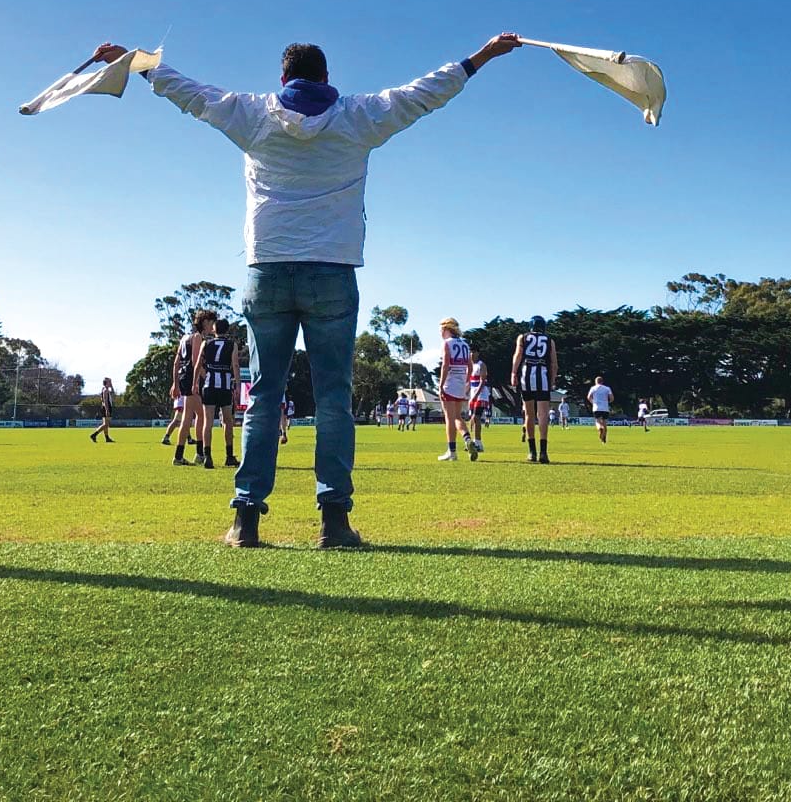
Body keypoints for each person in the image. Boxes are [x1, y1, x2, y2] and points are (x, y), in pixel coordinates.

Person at [92, 32, 522, 548]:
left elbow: (189, 93)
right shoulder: (359, 115)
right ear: (326, 77)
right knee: (335, 397)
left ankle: (245, 519)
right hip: (333, 272)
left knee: (265, 397)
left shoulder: (252, 113)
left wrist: (135, 63)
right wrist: (480, 58)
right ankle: (334, 521)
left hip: (267, 270)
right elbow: (424, 93)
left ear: (282, 78)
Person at [198, 318, 242, 469]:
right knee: (227, 421)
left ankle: (207, 456)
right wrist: (238, 385)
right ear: (227, 330)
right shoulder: (232, 345)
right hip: (224, 386)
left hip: (209, 386)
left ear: (214, 329)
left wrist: (196, 382)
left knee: (208, 422)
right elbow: (235, 365)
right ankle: (229, 456)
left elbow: (198, 365)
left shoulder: (206, 343)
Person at [513, 315, 558, 464]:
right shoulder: (549, 340)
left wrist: (513, 373)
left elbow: (518, 355)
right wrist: (552, 381)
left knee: (529, 414)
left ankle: (532, 451)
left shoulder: (523, 338)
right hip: (543, 377)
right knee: (543, 415)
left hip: (527, 377)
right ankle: (543, 452)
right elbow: (553, 363)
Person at [170, 311, 211, 466]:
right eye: (211, 323)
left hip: (183, 377)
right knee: (194, 417)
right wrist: (206, 377)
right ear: (205, 322)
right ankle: (186, 455)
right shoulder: (197, 337)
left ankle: (191, 454)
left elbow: (176, 362)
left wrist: (175, 383)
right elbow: (196, 361)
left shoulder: (184, 337)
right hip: (192, 378)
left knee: (195, 416)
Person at [436, 318, 476, 462]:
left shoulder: (446, 344)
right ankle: (467, 439)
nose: (440, 333)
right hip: (460, 384)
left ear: (447, 329)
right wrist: (466, 383)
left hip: (449, 383)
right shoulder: (465, 344)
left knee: (449, 418)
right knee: (458, 416)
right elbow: (470, 367)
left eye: (441, 329)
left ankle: (451, 451)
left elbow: (445, 364)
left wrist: (441, 384)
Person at [467, 353, 491, 452]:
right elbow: (469, 382)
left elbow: (482, 381)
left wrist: (476, 395)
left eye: (473, 351)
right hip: (473, 394)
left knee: (476, 417)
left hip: (481, 395)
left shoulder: (481, 365)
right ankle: (473, 442)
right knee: (472, 418)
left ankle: (478, 443)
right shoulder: (469, 365)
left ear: (477, 353)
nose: (471, 354)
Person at [91, 377, 116, 444]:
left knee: (106, 424)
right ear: (106, 383)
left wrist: (112, 386)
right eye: (109, 382)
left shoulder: (105, 389)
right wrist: (107, 410)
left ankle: (107, 438)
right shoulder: (105, 390)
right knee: (106, 424)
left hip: (107, 407)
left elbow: (113, 393)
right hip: (106, 407)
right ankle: (94, 435)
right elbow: (105, 401)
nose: (110, 382)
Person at [587, 376, 612, 443]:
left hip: (596, 407)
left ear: (596, 382)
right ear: (602, 381)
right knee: (604, 423)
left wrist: (593, 402)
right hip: (605, 408)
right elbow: (612, 398)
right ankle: (604, 439)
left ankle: (600, 428)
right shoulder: (607, 388)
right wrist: (608, 402)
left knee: (597, 421)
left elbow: (589, 397)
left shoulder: (593, 388)